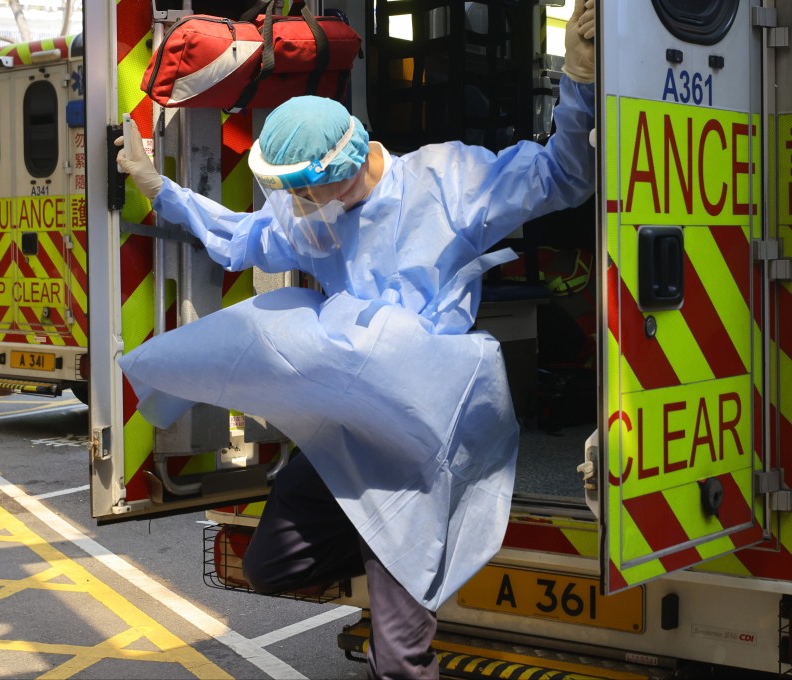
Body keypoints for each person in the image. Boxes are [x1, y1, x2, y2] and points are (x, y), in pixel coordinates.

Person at [115, 1, 595, 676]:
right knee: (269, 563)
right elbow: (241, 237)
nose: (298, 212)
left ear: (339, 169)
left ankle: (397, 561)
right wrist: (158, 188)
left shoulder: (448, 182)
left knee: (399, 657)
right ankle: (379, 543)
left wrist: (578, 80)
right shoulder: (317, 212)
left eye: (304, 194)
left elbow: (563, 176)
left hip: (423, 430)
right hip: (350, 421)